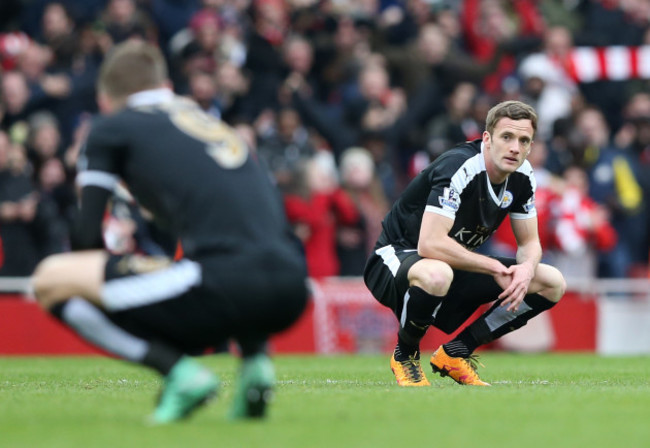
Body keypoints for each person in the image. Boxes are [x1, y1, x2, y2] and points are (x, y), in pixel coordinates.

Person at [30, 40, 309, 422]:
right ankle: (256, 366)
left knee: (50, 280)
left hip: (224, 286)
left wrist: (116, 277)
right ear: (163, 85)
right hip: (293, 285)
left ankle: (178, 373)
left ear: (106, 98)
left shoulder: (113, 127)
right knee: (228, 249)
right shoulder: (208, 122)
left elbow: (84, 239)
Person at [363, 100, 566, 387]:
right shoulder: (459, 165)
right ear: (487, 138)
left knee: (551, 281)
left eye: (524, 140)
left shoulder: (523, 175)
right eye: (506, 137)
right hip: (395, 258)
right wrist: (493, 265)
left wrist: (526, 269)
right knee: (437, 273)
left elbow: (530, 242)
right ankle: (405, 355)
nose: (515, 148)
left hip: (451, 263)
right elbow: (430, 244)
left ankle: (456, 353)